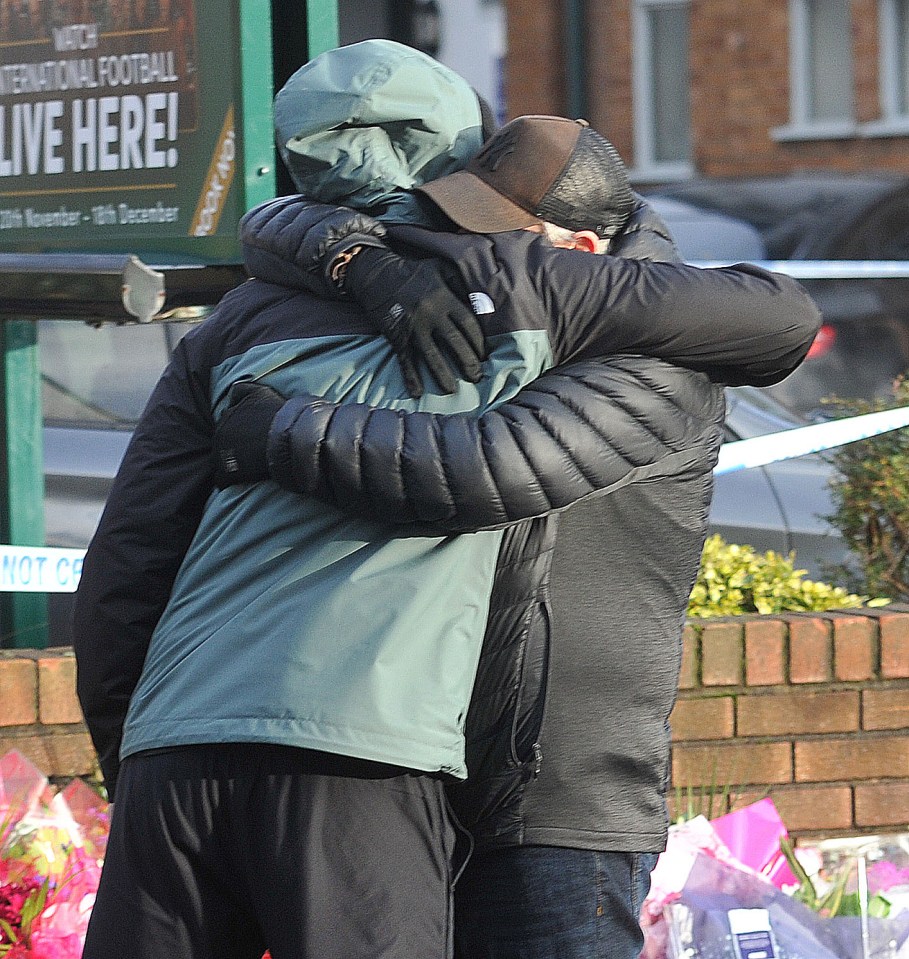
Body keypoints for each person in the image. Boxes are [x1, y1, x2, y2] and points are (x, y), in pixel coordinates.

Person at [73, 41, 820, 959]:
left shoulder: (649, 344)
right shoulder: (365, 294)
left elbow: (481, 472)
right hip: (380, 772)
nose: (456, 245)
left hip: (544, 803)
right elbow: (132, 561)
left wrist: (278, 430)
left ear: (581, 252)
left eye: (487, 227)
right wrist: (356, 259)